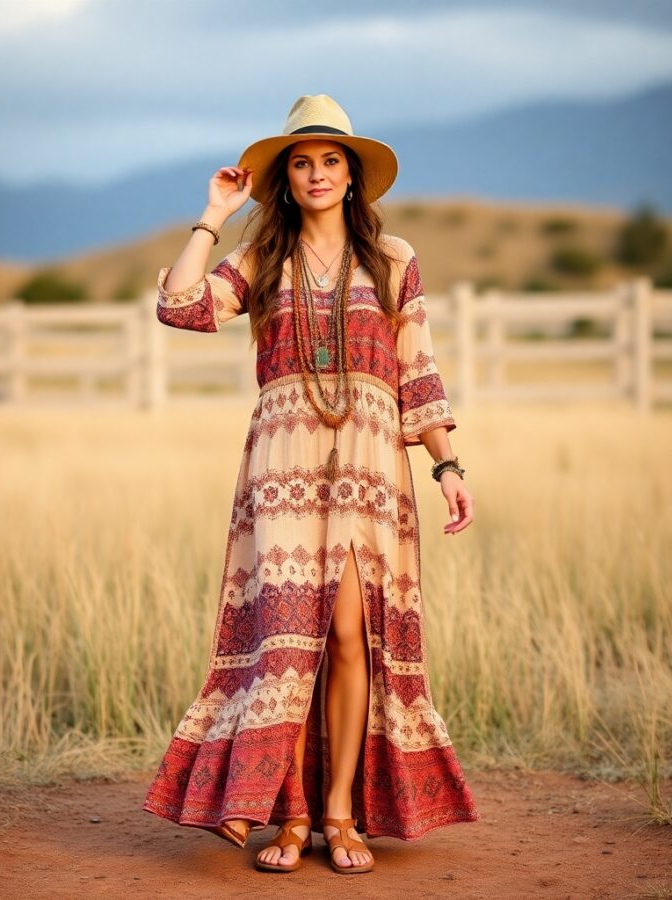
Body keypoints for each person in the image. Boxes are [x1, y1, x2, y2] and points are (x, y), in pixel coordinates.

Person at [142, 94, 480, 875]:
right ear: (284, 179)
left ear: (354, 177)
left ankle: (339, 813)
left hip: (369, 471)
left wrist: (446, 467)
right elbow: (180, 307)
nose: (317, 173)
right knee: (284, 641)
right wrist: (213, 212)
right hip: (282, 470)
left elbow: (418, 372)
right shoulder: (260, 261)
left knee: (349, 635)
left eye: (331, 161)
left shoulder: (392, 258)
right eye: (301, 162)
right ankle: (287, 816)